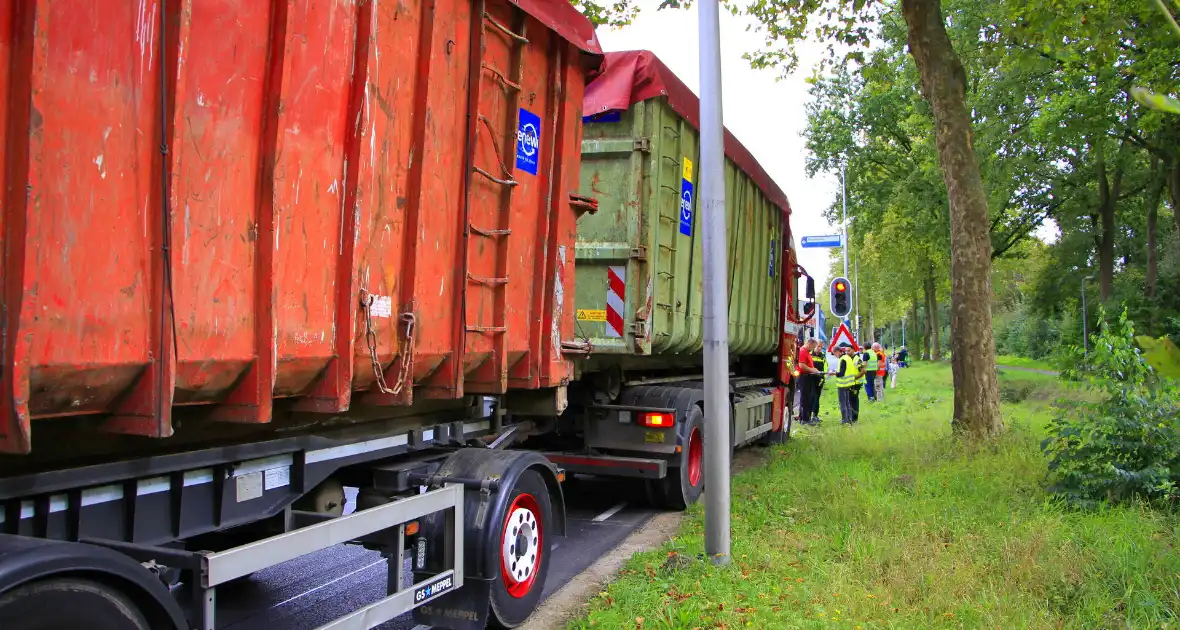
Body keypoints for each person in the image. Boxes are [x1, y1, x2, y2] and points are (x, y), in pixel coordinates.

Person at [832, 343, 863, 424]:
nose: (847, 352)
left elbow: (842, 373)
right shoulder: (848, 358)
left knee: (847, 403)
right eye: (847, 350)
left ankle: (848, 419)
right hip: (849, 383)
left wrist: (834, 373)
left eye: (834, 353)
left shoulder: (849, 359)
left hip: (848, 384)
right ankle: (850, 419)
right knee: (848, 403)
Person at [796, 338, 821, 425]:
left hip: (808, 376)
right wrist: (812, 370)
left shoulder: (807, 352)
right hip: (804, 377)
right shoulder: (803, 351)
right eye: (813, 347)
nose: (813, 349)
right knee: (805, 398)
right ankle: (805, 419)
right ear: (809, 344)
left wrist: (813, 369)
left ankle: (803, 417)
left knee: (808, 397)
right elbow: (801, 365)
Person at [812, 343, 828, 423]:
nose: (819, 348)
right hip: (810, 378)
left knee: (817, 397)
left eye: (821, 347)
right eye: (818, 346)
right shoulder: (810, 354)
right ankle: (806, 415)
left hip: (819, 379)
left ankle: (815, 415)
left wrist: (823, 378)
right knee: (810, 396)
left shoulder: (823, 355)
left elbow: (825, 366)